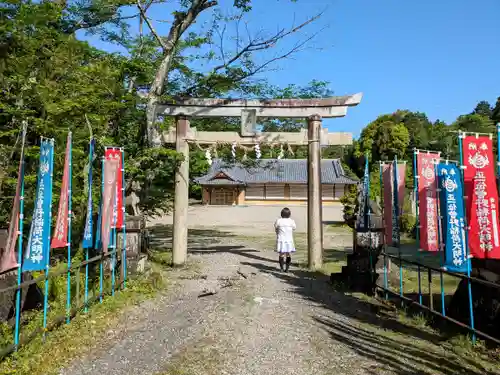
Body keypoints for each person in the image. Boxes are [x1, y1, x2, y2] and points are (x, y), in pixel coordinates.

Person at [274, 207, 296, 272]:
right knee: (288, 254)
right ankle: (287, 269)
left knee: (281, 254)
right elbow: (294, 228)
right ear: (289, 214)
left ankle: (281, 268)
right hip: (289, 240)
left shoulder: (278, 220)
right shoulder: (291, 221)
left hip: (281, 239)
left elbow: (275, 227)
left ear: (281, 214)